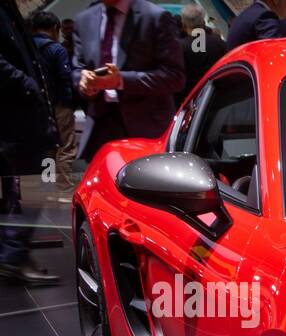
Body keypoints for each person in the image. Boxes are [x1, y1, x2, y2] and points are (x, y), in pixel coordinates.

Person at [73, 0, 185, 162]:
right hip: (100, 127)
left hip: (145, 129)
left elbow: (175, 77)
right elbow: (77, 68)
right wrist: (84, 82)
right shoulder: (84, 19)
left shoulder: (155, 17)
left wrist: (121, 81)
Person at [1, 0, 57, 285]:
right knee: (36, 185)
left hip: (18, 115)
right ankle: (13, 255)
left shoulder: (9, 10)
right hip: (15, 117)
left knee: (15, 188)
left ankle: (13, 252)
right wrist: (25, 84)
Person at [30, 10, 77, 200]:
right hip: (59, 105)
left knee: (46, 148)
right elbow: (66, 79)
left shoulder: (27, 47)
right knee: (65, 147)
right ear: (55, 28)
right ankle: (65, 191)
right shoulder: (57, 50)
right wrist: (71, 103)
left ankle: (47, 190)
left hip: (36, 106)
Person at [179, 3, 226, 99]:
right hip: (218, 96)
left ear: (183, 24)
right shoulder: (218, 42)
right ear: (203, 22)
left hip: (190, 99)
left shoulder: (180, 48)